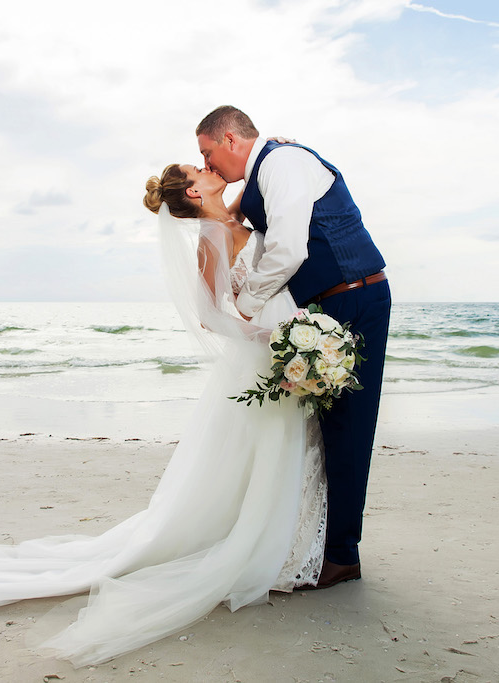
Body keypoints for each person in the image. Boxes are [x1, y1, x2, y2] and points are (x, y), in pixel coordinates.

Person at [0, 162, 327, 666]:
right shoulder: (210, 237)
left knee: (284, 447)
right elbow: (208, 314)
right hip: (264, 351)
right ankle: (268, 545)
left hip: (284, 342)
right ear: (194, 189)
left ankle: (286, 538)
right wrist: (261, 337)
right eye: (197, 168)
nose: (207, 167)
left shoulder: (238, 209)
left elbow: (268, 173)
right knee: (270, 448)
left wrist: (285, 148)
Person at [196, 105, 390, 588]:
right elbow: (241, 212)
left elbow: (288, 248)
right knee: (329, 431)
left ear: (228, 138)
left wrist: (244, 305)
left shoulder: (281, 164)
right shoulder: (268, 168)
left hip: (355, 296)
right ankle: (327, 545)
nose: (208, 164)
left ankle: (342, 556)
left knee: (349, 428)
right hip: (326, 305)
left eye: (207, 153)